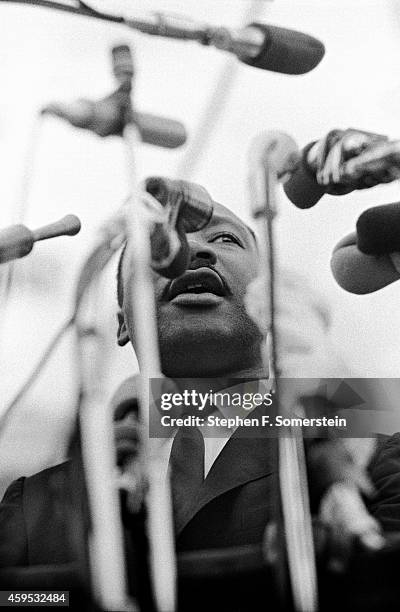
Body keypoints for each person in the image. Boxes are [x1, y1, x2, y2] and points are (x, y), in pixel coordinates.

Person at [0, 158, 397, 609]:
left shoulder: (371, 436)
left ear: (268, 293)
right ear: (122, 321)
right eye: (159, 246)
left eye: (224, 239)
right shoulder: (36, 500)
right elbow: (21, 598)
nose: (193, 253)